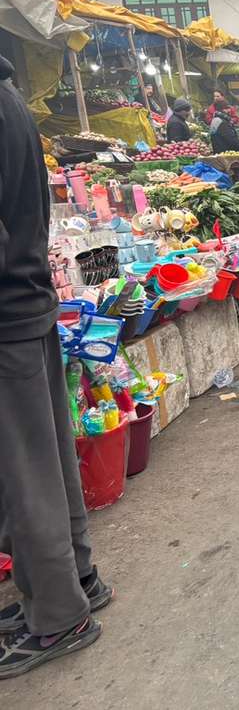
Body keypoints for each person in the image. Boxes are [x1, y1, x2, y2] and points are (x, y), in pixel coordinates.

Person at [0, 55, 113, 679]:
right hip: (26, 305)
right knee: (47, 461)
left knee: (23, 475)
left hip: (7, 317)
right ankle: (79, 580)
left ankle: (58, 618)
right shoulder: (10, 99)